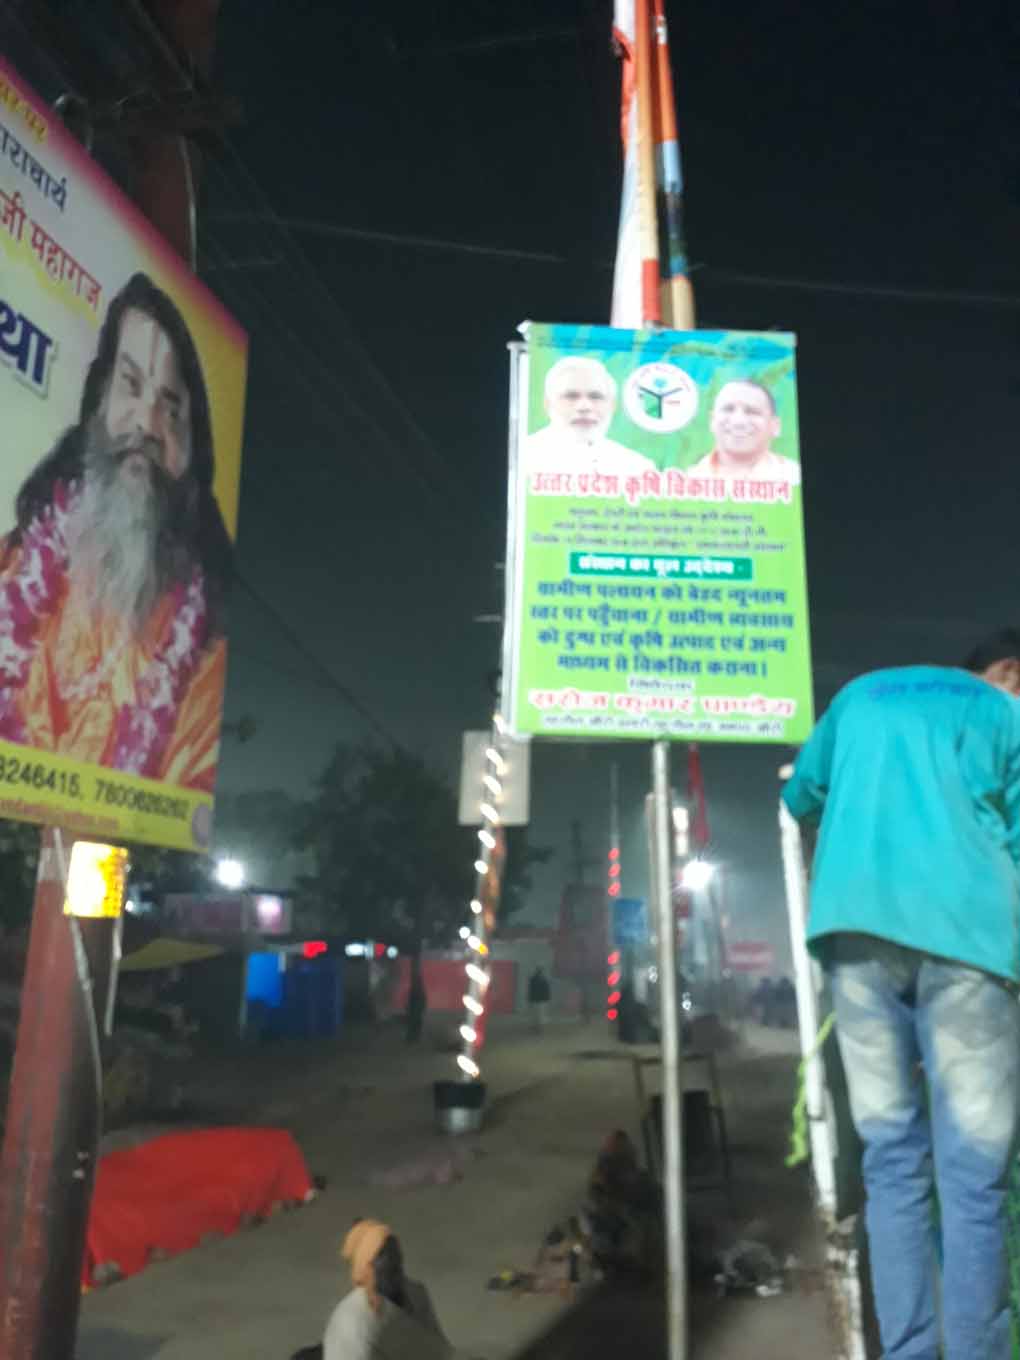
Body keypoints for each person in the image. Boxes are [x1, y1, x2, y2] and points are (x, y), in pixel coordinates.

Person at [782, 630, 1020, 1360]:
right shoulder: (1000, 715)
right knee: (975, 1177)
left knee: (890, 1163)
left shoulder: (857, 698)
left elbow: (800, 797)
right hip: (969, 943)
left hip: (855, 934)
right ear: (1005, 673)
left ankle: (909, 1352)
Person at [0, 272, 233, 790]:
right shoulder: (9, 567)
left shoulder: (204, 670)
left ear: (195, 454)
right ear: (98, 400)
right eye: (131, 385)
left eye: (171, 408)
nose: (146, 424)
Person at [322, 1218, 454, 1360]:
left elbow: (440, 1348)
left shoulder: (416, 1293)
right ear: (368, 1269)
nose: (394, 1257)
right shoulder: (352, 1321)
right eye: (382, 1255)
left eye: (395, 1252)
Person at [524, 356, 656, 478]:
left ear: (612, 406)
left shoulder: (638, 469)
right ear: (548, 404)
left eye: (596, 397)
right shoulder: (523, 457)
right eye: (571, 396)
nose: (584, 407)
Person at [687, 380, 800, 484]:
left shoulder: (794, 478)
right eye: (728, 409)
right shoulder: (688, 480)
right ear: (712, 420)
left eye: (752, 411)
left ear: (775, 426)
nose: (738, 422)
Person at [527, 965, 551, 1031]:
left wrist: (529, 999)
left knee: (536, 1014)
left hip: (536, 1000)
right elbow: (546, 990)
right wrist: (547, 999)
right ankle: (538, 1027)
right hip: (540, 1000)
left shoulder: (533, 979)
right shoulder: (543, 980)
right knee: (539, 1014)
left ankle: (536, 1027)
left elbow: (530, 990)